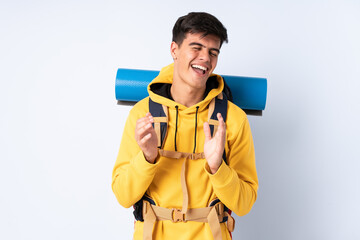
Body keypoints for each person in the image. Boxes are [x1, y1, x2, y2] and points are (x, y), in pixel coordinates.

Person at [112, 12, 258, 240]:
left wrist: (218, 166)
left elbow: (244, 203)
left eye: (213, 52)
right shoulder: (143, 114)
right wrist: (147, 157)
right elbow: (123, 196)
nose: (205, 59)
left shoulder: (233, 119)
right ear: (174, 50)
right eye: (196, 47)